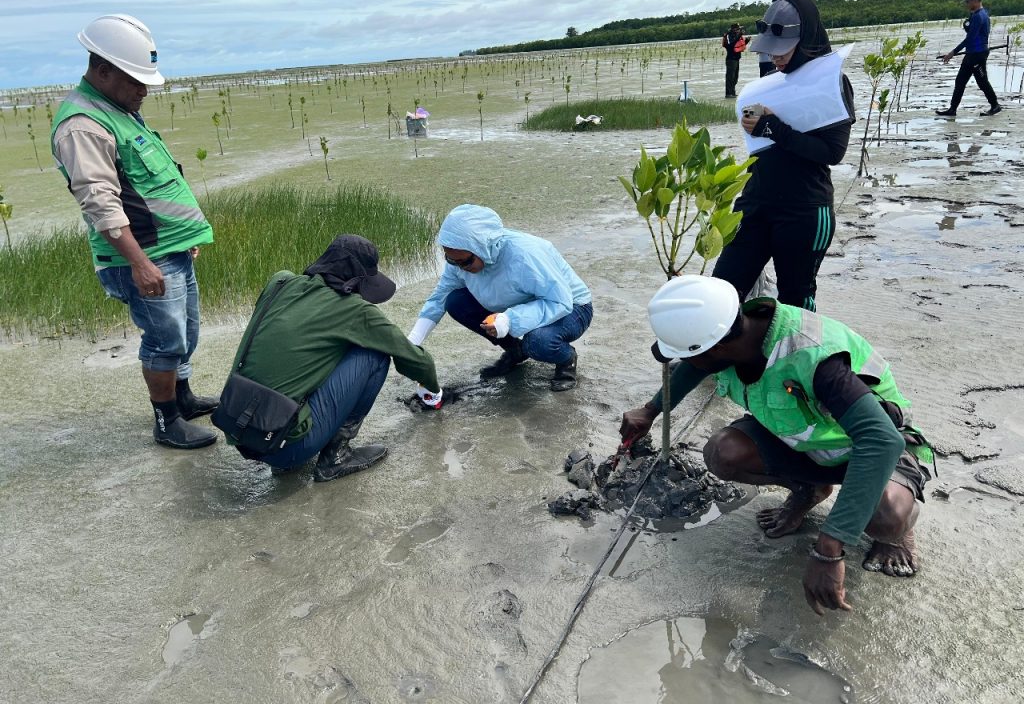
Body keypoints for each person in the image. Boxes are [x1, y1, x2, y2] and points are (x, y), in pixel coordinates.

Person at [620, 276, 933, 615]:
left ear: (715, 349)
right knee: (723, 453)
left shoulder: (814, 357)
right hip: (805, 440)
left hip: (874, 449)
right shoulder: (733, 338)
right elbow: (693, 369)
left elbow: (881, 440)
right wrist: (651, 411)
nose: (689, 365)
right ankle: (809, 489)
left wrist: (829, 549)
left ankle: (896, 535)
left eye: (690, 356)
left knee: (886, 517)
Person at [50, 14, 219, 450]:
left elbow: (147, 185)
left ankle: (183, 398)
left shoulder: (120, 110)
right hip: (143, 256)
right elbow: (100, 204)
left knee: (185, 333)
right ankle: (167, 422)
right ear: (102, 70)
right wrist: (140, 263)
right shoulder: (83, 125)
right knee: (164, 341)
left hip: (168, 248)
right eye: (135, 80)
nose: (144, 89)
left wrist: (183, 237)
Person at [225, 235, 440, 482]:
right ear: (356, 281)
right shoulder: (354, 310)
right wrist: (434, 391)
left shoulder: (280, 282)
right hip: (286, 447)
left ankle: (285, 456)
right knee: (375, 355)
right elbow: (418, 361)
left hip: (237, 428)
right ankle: (336, 457)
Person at [716, 0, 855, 311]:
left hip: (804, 210)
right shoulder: (769, 84)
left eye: (783, 51)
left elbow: (833, 152)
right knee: (721, 293)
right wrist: (757, 124)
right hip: (755, 203)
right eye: (771, 50)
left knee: (796, 301)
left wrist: (774, 128)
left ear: (805, 42)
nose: (775, 58)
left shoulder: (832, 84)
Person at [407, 204, 593, 392]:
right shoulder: (459, 261)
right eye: (451, 260)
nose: (460, 268)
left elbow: (560, 301)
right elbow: (439, 297)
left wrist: (510, 319)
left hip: (572, 307)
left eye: (465, 262)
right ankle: (516, 351)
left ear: (481, 247)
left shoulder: (526, 255)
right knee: (455, 301)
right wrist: (412, 343)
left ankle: (566, 359)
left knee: (537, 341)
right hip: (523, 304)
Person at [935, 0, 1002, 117]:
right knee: (960, 81)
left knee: (982, 82)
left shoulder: (979, 16)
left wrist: (952, 53)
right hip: (971, 54)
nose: (966, 4)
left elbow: (970, 38)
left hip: (978, 54)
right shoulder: (980, 14)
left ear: (975, 1)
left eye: (968, 2)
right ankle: (952, 110)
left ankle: (995, 106)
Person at [721, 23, 750, 98]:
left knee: (735, 78)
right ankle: (728, 94)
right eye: (738, 29)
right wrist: (739, 35)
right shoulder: (728, 36)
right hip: (731, 59)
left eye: (739, 29)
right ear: (734, 29)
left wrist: (746, 41)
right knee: (730, 77)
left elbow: (738, 46)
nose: (739, 30)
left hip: (736, 59)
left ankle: (732, 93)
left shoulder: (736, 36)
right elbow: (731, 45)